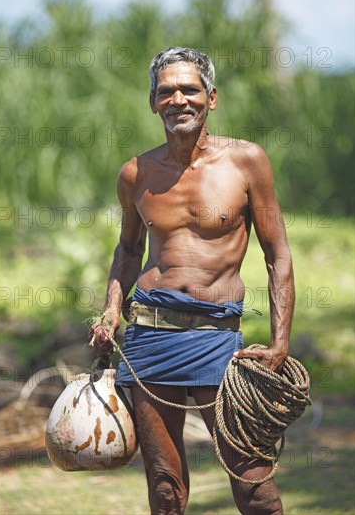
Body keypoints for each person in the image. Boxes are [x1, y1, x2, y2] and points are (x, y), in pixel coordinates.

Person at [90, 47, 294, 514]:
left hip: (218, 340)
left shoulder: (246, 162)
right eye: (166, 91)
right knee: (165, 489)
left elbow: (277, 254)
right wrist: (109, 313)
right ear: (153, 102)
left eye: (190, 89)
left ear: (212, 98)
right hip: (148, 338)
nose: (178, 99)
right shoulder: (136, 173)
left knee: (254, 488)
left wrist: (280, 343)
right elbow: (128, 249)